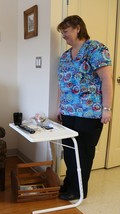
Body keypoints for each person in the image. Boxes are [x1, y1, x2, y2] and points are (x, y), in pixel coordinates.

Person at [56, 15, 113, 200]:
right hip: (68, 111)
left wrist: (107, 109)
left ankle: (78, 190)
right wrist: (60, 107)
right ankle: (69, 184)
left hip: (89, 112)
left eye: (65, 31)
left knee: (83, 152)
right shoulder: (65, 56)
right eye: (62, 33)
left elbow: (106, 80)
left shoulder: (95, 49)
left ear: (77, 28)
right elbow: (62, 84)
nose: (63, 36)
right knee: (70, 152)